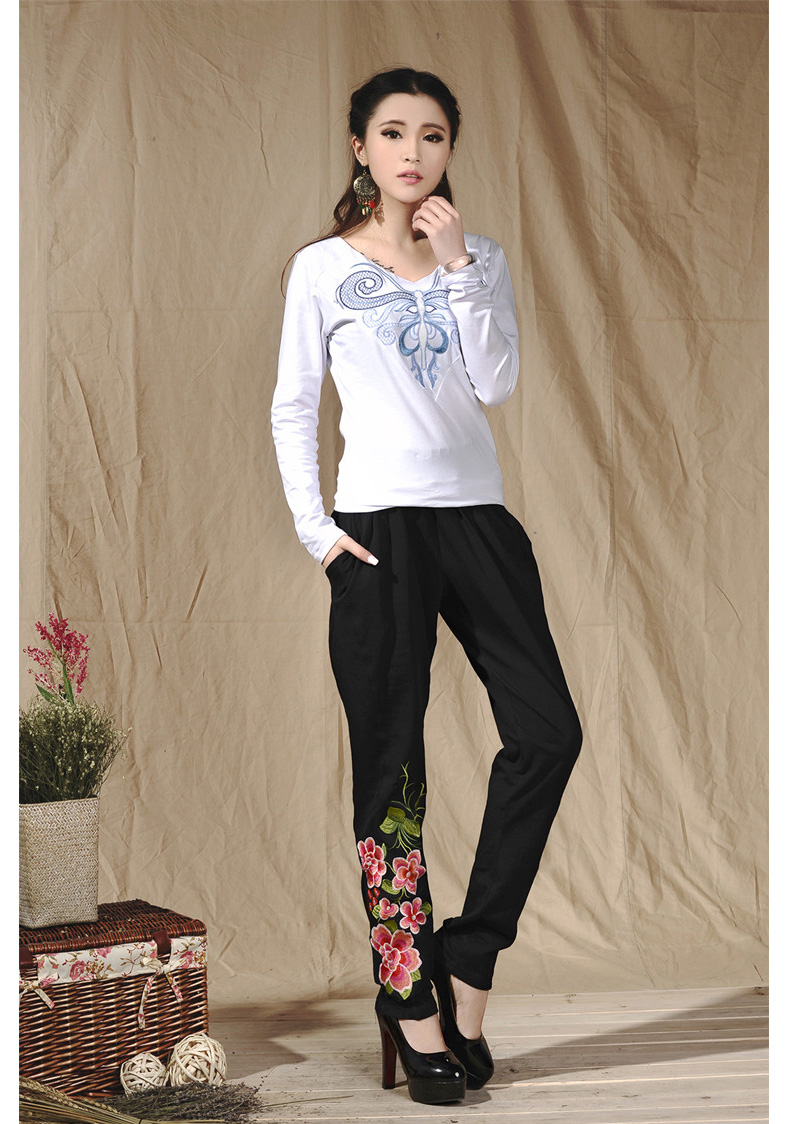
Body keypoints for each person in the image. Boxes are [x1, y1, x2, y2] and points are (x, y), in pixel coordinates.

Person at [271, 67, 583, 1105]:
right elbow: (292, 404)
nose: (414, 152)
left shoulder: (477, 256)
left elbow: (496, 381)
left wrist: (458, 270)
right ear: (360, 147)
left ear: (450, 150)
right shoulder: (321, 267)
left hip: (479, 522)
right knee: (392, 765)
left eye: (433, 135)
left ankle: (469, 954)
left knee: (548, 733)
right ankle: (409, 996)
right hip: (376, 534)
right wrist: (318, 532)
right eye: (394, 133)